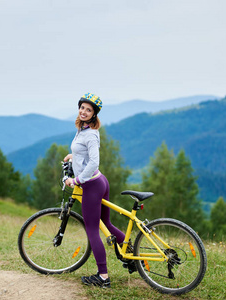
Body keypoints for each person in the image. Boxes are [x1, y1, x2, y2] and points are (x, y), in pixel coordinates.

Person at [63, 93, 126, 288]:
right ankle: (129, 252)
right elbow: (84, 155)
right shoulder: (83, 129)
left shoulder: (89, 134)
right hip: (100, 181)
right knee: (105, 223)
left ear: (93, 114)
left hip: (91, 185)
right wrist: (73, 157)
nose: (83, 111)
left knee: (92, 230)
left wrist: (77, 180)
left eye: (88, 110)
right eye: (82, 107)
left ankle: (103, 277)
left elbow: (94, 162)